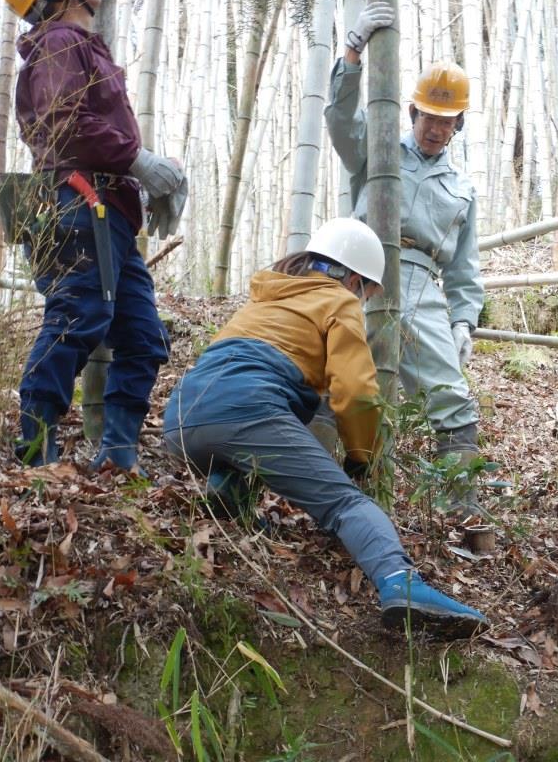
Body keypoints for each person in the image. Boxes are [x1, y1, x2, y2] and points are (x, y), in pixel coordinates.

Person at [162, 218, 487, 638]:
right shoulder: (338, 300)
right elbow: (354, 392)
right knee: (345, 505)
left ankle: (227, 491)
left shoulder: (266, 298)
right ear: (353, 278)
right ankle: (401, 584)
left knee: (294, 403)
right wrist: (360, 455)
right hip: (247, 410)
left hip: (182, 418)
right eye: (367, 292)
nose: (364, 300)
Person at [2, 0, 187, 473]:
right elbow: (65, 125)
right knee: (77, 315)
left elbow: (87, 132)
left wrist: (144, 185)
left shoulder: (79, 45)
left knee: (143, 337)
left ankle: (117, 455)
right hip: (79, 204)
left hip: (110, 214)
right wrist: (139, 162)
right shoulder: (61, 41)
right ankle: (36, 454)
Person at [325, 3, 485, 517]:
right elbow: (338, 120)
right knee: (325, 379)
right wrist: (351, 53)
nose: (436, 129)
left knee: (453, 400)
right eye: (429, 117)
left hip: (420, 287)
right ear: (413, 112)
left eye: (447, 121)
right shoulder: (379, 148)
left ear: (458, 124)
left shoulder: (461, 190)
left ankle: (460, 515)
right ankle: (310, 489)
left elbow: (464, 269)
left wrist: (463, 322)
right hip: (354, 272)